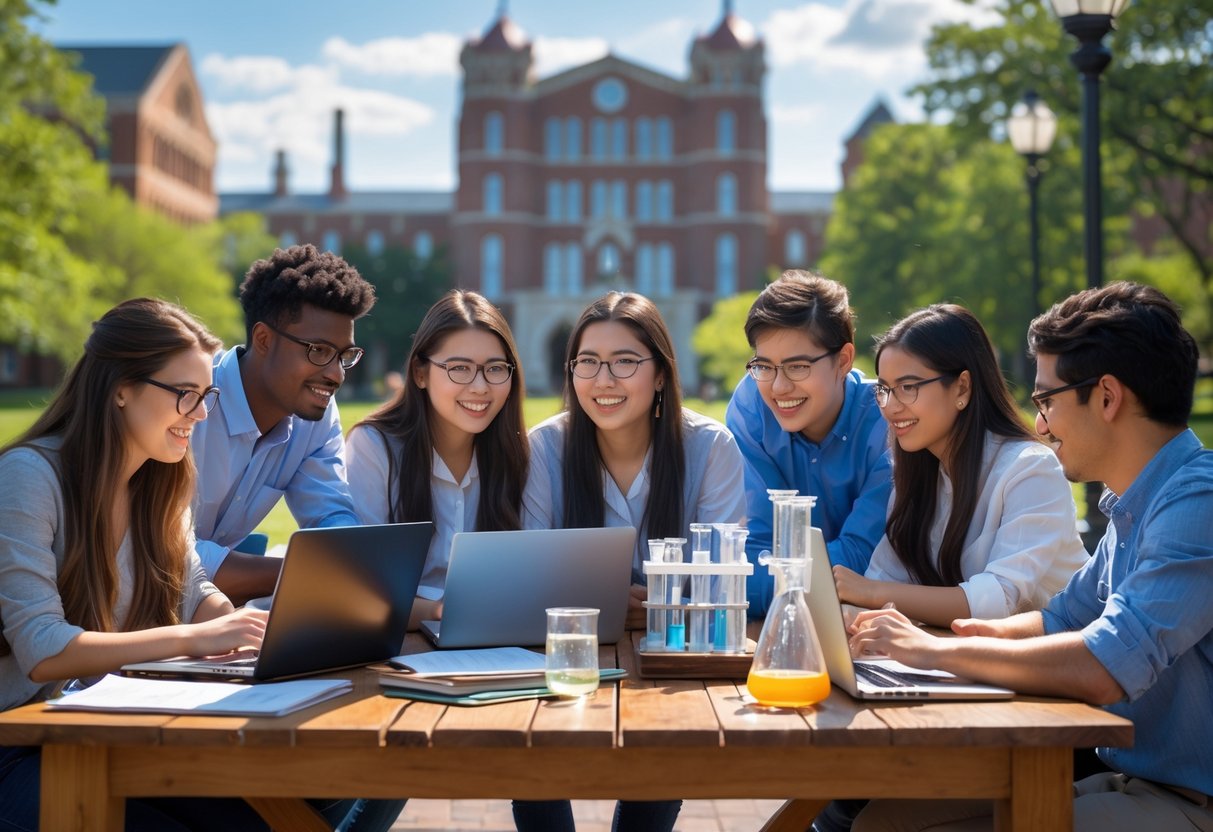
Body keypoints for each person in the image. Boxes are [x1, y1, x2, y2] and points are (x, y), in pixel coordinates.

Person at [846, 282, 1213, 832]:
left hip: (1189, 802)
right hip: (1126, 778)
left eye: (1047, 401)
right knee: (881, 823)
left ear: (1107, 397)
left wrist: (933, 653)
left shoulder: (1196, 503)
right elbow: (1061, 618)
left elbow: (1105, 665)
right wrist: (951, 639)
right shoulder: (1134, 506)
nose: (1039, 424)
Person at [0, 299, 281, 829]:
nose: (201, 414)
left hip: (93, 732)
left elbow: (193, 589)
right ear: (121, 389)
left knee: (256, 821)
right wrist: (195, 639)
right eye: (186, 395)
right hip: (13, 745)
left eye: (207, 396)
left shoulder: (161, 479)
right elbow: (41, 647)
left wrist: (239, 632)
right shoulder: (28, 477)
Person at [517, 291, 747, 832]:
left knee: (663, 759)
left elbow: (716, 582)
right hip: (564, 653)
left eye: (625, 362)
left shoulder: (710, 448)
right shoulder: (544, 449)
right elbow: (529, 573)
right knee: (530, 758)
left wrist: (622, 603)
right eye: (587, 362)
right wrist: (621, 603)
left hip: (673, 659)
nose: (604, 380)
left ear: (662, 374)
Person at [833, 304, 1088, 628]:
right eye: (884, 389)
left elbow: (998, 600)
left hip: (1058, 670)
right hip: (969, 669)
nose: (891, 406)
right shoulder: (917, 476)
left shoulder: (1030, 471)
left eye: (908, 387)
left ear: (962, 388)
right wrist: (845, 619)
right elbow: (887, 579)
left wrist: (871, 593)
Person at [191, 244, 376, 605]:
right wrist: (309, 572)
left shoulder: (315, 414)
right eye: (319, 351)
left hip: (206, 610)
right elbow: (161, 554)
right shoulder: (190, 399)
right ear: (263, 339)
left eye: (344, 356)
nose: (336, 374)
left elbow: (330, 512)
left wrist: (348, 555)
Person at [346, 289, 528, 630]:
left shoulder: (515, 454)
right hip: (391, 646)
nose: (480, 387)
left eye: (495, 368)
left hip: (494, 640)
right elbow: (358, 588)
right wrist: (439, 612)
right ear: (420, 373)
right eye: (460, 368)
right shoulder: (375, 447)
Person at [724, 270, 891, 618]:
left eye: (797, 367)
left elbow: (861, 558)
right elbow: (751, 551)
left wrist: (764, 583)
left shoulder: (888, 421)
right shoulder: (751, 408)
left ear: (843, 360)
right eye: (764, 366)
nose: (778, 388)